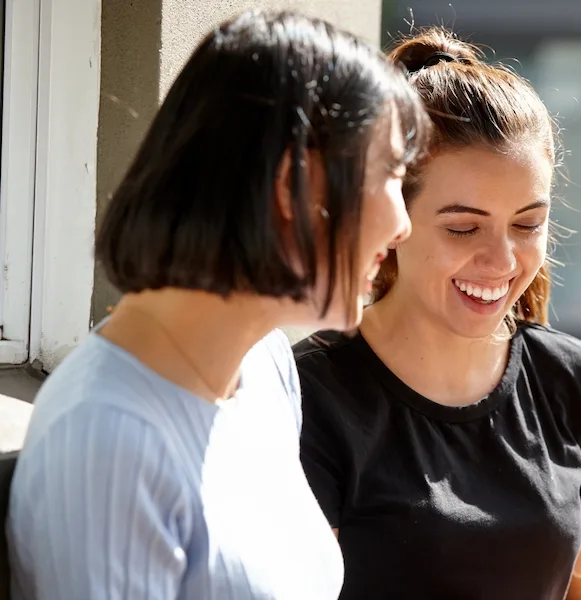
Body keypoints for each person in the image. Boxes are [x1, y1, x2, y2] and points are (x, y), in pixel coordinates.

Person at [5, 10, 429, 600]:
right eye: (391, 175)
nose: (404, 225)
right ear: (294, 185)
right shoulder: (106, 445)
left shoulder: (264, 367)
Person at [293, 27, 581, 600]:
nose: (502, 260)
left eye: (527, 224)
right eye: (463, 228)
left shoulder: (571, 379)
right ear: (394, 215)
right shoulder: (310, 394)